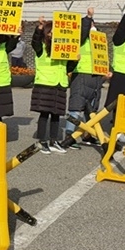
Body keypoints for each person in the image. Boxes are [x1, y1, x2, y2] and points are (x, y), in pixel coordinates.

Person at [62, 7, 104, 148]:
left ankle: (88, 134)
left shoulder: (98, 41)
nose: (93, 27)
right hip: (81, 73)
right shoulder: (80, 39)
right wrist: (88, 17)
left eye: (93, 24)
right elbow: (83, 32)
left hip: (96, 75)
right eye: (90, 25)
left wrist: (106, 71)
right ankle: (70, 135)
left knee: (92, 108)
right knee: (76, 105)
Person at [31, 17, 69, 154]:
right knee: (44, 114)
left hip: (59, 83)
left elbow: (67, 66)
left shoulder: (62, 49)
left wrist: (75, 60)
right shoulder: (40, 47)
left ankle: (53, 141)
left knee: (56, 114)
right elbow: (34, 41)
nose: (53, 34)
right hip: (45, 84)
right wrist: (39, 28)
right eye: (51, 32)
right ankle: (42, 141)